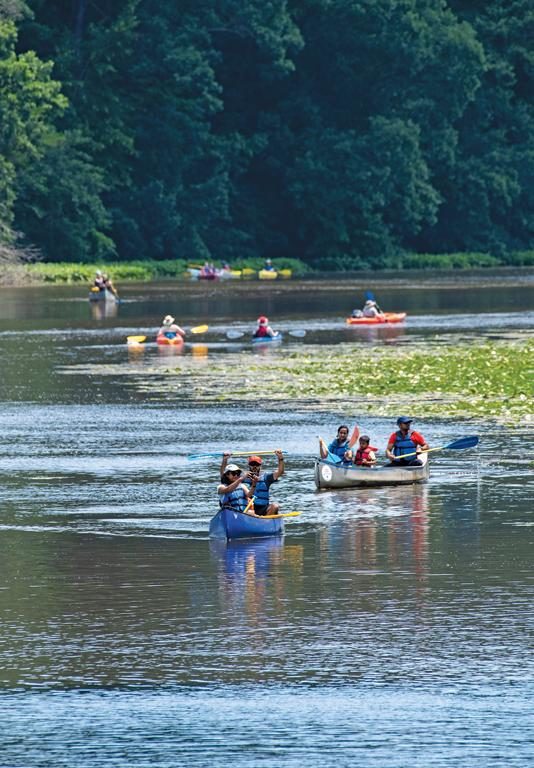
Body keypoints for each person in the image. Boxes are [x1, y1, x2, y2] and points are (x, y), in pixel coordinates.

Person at [243, 451, 285, 516]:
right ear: (249, 466)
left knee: (275, 506)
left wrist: (280, 458)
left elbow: (280, 472)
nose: (254, 467)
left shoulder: (266, 477)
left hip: (264, 507)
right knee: (249, 512)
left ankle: (266, 520)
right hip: (250, 507)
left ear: (260, 466)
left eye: (257, 465)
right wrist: (225, 460)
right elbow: (226, 478)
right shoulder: (244, 477)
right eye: (252, 464)